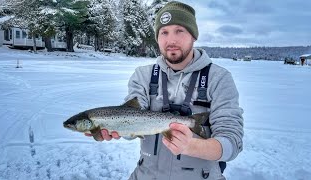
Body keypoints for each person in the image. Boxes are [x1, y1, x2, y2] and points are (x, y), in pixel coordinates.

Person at [85, 1, 244, 179]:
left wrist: (192, 146)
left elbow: (233, 142)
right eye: (164, 32)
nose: (171, 40)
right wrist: (116, 127)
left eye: (179, 31)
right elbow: (133, 119)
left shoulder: (219, 78)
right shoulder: (143, 75)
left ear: (193, 36)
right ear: (157, 38)